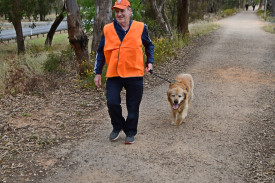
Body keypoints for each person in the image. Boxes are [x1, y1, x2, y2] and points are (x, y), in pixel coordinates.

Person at [94, 0, 154, 144]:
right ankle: (118, 126)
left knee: (133, 106)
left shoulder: (141, 27)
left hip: (135, 73)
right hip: (114, 74)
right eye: (117, 11)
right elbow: (100, 52)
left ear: (129, 11)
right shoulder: (108, 29)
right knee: (112, 102)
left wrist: (150, 63)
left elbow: (149, 45)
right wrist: (97, 72)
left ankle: (131, 131)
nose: (119, 14)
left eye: (122, 11)